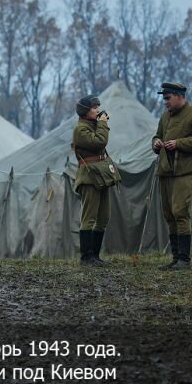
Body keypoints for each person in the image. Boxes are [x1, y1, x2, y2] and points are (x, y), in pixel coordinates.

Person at [152, 82, 192, 269]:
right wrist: (156, 143)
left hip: (184, 171)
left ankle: (184, 260)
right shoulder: (164, 117)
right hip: (165, 170)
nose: (165, 102)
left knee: (180, 213)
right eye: (164, 98)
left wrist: (179, 143)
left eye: (167, 98)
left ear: (179, 96)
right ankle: (176, 258)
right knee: (169, 214)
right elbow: (156, 136)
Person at [71, 95, 121, 265]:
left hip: (101, 175)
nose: (98, 110)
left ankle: (95, 256)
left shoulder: (93, 126)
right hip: (89, 177)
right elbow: (99, 142)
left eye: (98, 107)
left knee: (103, 217)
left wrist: (100, 124)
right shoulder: (80, 129)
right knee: (89, 217)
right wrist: (103, 123)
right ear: (85, 111)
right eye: (94, 108)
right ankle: (86, 257)